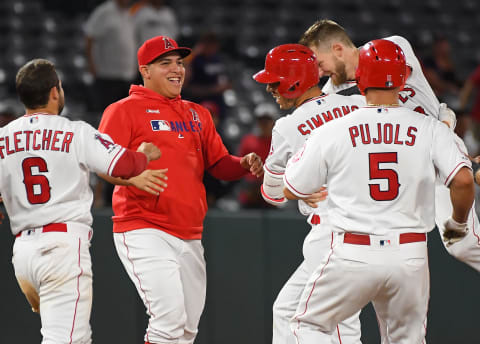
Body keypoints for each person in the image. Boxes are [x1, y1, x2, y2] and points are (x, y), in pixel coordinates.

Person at [283, 39, 474, 343]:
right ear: (403, 79)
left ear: (359, 79)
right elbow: (463, 182)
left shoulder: (333, 129)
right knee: (406, 339)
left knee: (308, 326)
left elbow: (292, 187)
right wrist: (458, 224)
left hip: (352, 252)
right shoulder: (430, 128)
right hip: (410, 254)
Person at [97, 35, 263, 344]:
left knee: (186, 329)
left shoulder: (197, 113)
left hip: (190, 232)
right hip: (144, 227)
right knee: (169, 319)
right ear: (145, 71)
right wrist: (132, 178)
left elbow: (219, 163)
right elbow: (101, 162)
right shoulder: (123, 110)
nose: (176, 69)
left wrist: (242, 163)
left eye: (179, 62)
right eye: (165, 64)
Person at [299, 19, 480, 274]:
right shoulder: (331, 96)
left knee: (460, 243)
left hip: (438, 154)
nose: (319, 72)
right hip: (401, 175)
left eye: (320, 63)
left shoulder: (393, 48)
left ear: (338, 49)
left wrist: (441, 124)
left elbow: (394, 97)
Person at [1, 58, 161, 343]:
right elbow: (123, 165)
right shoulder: (74, 131)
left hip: (23, 254)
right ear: (53, 92)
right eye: (59, 87)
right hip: (61, 249)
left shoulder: (3, 138)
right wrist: (145, 155)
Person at [253, 44, 365, 344]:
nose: (271, 90)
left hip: (334, 229)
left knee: (341, 326)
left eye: (275, 82)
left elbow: (274, 196)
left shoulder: (287, 126)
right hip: (367, 218)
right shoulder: (356, 105)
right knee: (287, 309)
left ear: (294, 80)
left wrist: (292, 186)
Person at [84, 0, 137, 117]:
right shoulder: (104, 12)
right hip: (107, 77)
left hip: (126, 76)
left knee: (124, 118)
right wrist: (91, 64)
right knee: (107, 117)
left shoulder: (128, 13)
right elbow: (89, 37)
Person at [183, 32, 232, 123]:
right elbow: (185, 85)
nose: (212, 47)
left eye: (214, 43)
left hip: (217, 106)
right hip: (198, 104)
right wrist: (213, 89)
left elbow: (227, 81)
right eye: (208, 43)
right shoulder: (194, 60)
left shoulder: (218, 59)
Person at [237, 102, 277, 208]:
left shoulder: (279, 142)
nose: (264, 123)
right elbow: (240, 166)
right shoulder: (248, 141)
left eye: (267, 120)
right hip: (250, 193)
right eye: (261, 120)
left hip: (272, 194)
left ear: (273, 122)